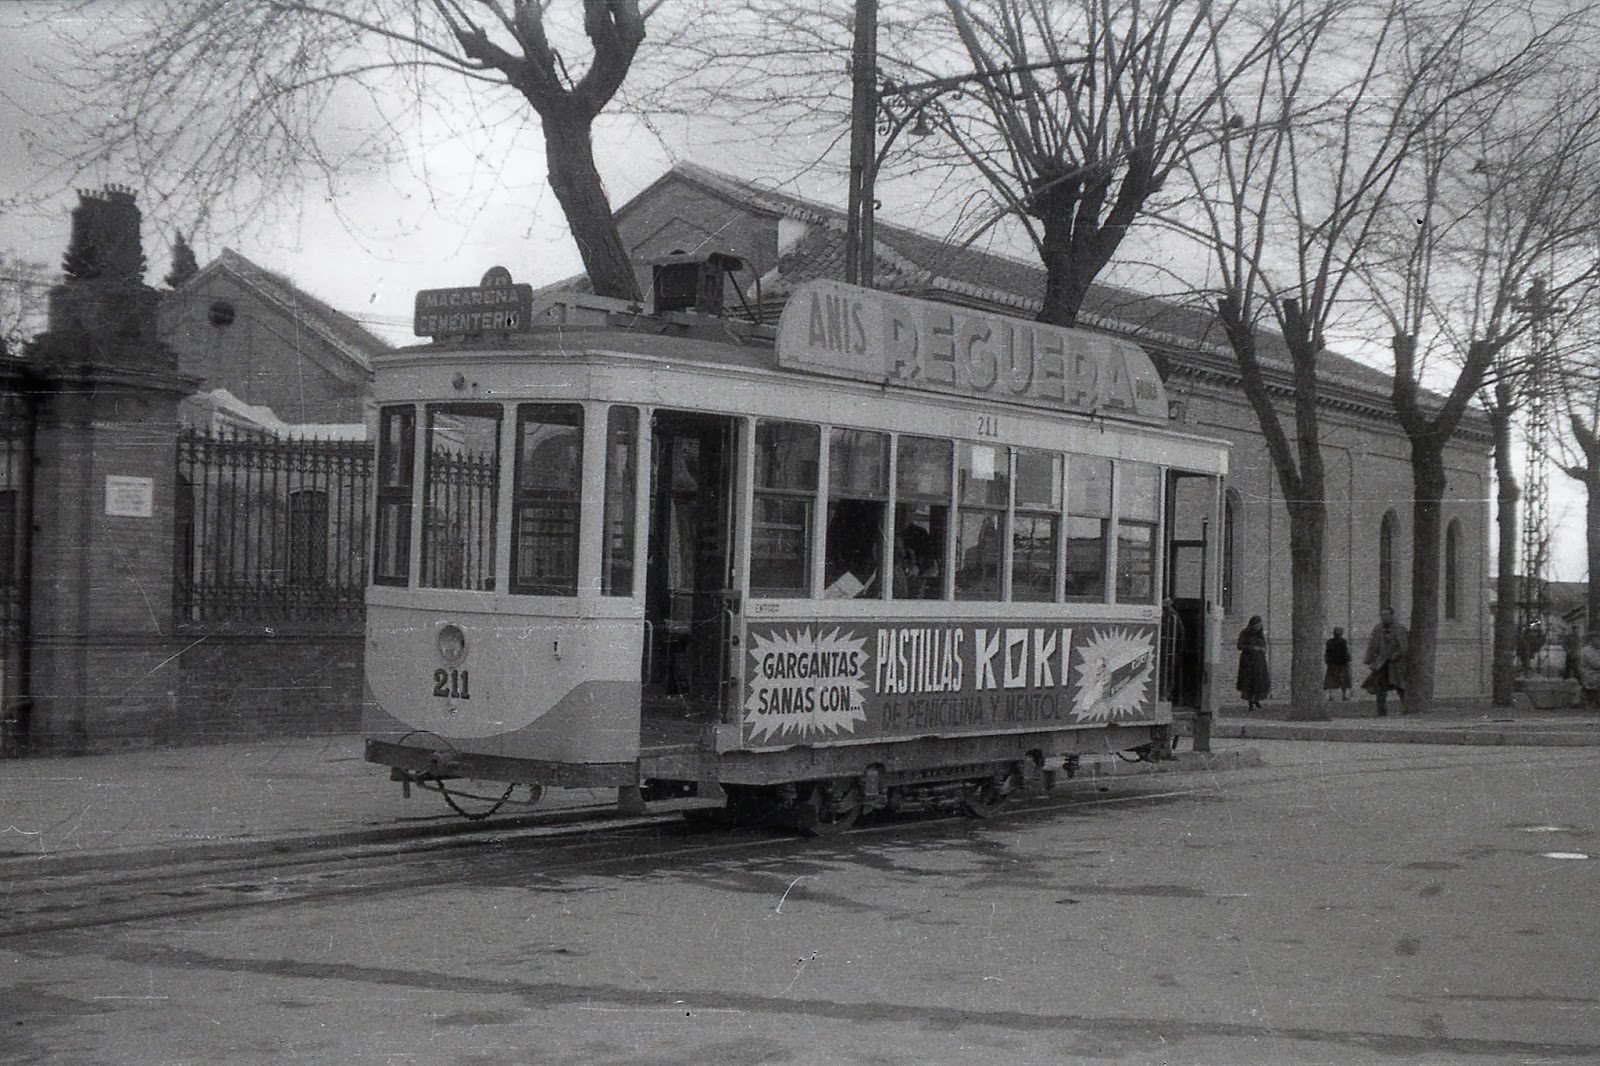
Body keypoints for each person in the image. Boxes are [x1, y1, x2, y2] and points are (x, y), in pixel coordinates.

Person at [1362, 606, 1410, 716]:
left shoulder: (1400, 629)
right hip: (1382, 663)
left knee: (1400, 686)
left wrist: (1397, 655)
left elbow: (1404, 645)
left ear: (1392, 615)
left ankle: (1406, 708)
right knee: (1379, 686)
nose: (1384, 617)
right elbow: (1372, 644)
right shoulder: (1378, 629)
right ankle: (1381, 711)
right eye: (1382, 615)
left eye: (1386, 615)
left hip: (1396, 663)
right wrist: (1369, 659)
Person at [1235, 615, 1270, 711]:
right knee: (1249, 681)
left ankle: (1257, 699)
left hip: (1259, 661)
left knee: (1260, 681)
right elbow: (1239, 645)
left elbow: (1263, 644)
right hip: (1248, 661)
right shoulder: (1245, 633)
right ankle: (1250, 702)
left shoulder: (1260, 634)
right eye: (1257, 624)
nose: (1259, 626)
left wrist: (1263, 649)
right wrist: (1252, 648)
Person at [1323, 627, 1352, 702]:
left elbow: (1327, 653)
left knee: (1332, 680)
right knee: (1341, 680)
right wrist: (1348, 660)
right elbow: (1346, 653)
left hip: (1335, 663)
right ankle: (1342, 696)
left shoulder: (1331, 642)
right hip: (1339, 664)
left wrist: (1327, 661)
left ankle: (1332, 696)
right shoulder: (1342, 641)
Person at [1576, 630, 1600, 710]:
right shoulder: (1586, 651)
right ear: (1592, 640)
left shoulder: (1597, 650)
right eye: (1598, 639)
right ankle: (1594, 702)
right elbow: (1596, 664)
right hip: (1589, 674)